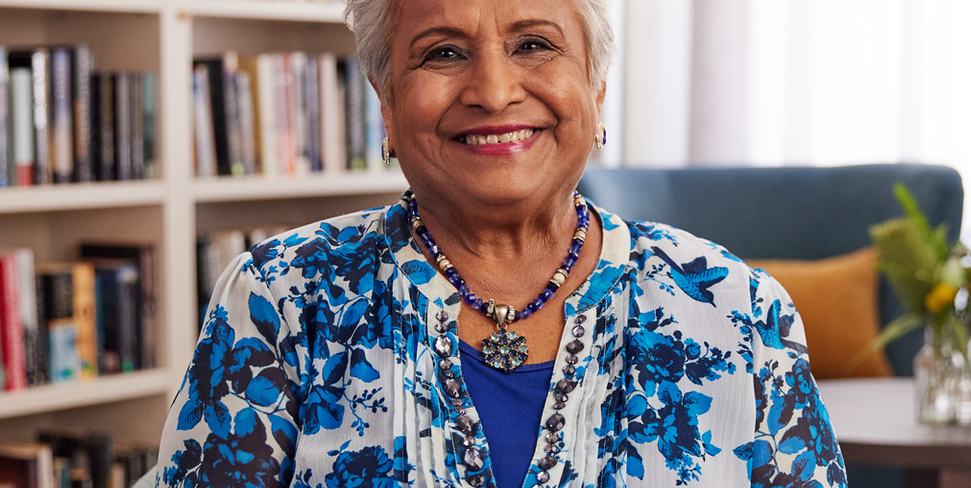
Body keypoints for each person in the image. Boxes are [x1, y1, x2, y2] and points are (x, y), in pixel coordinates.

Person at [150, 0, 845, 486]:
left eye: (534, 45)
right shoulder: (278, 299)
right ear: (385, 103)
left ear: (596, 86)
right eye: (443, 53)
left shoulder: (740, 310)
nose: (493, 89)